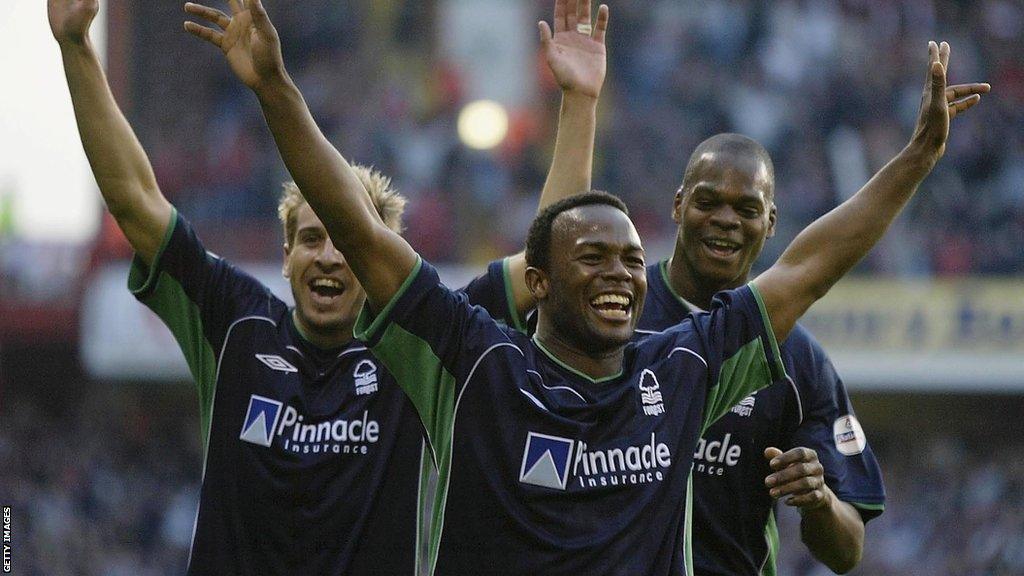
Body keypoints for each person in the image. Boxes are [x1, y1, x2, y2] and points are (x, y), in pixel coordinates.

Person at [185, 0, 986, 573]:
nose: (623, 274)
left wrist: (916, 157)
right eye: (594, 258)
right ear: (538, 283)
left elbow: (811, 265)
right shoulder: (474, 365)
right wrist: (277, 90)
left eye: (634, 259)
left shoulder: (681, 368)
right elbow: (357, 227)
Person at [50, 0, 607, 572]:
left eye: (347, 242)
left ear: (382, 262)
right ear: (286, 254)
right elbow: (136, 203)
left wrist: (581, 103)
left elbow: (548, 262)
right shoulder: (236, 324)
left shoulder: (428, 345)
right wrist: (76, 48)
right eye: (311, 239)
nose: (329, 257)